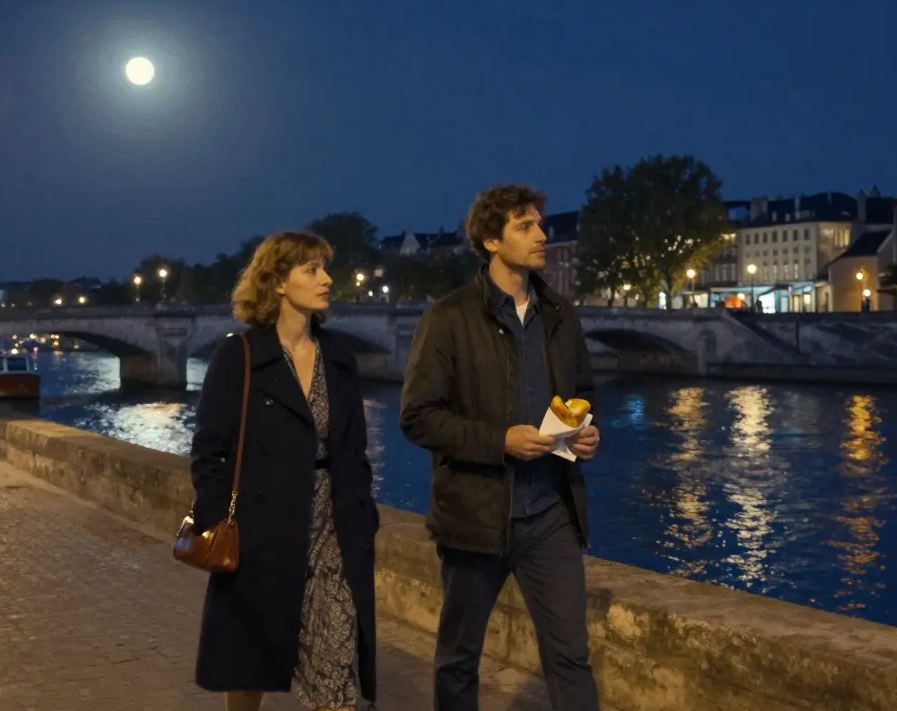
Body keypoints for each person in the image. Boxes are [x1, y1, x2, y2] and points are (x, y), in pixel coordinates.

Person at [400, 184, 602, 710]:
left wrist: (585, 434)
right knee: (459, 658)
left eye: (540, 223)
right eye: (525, 226)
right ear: (491, 241)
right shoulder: (447, 319)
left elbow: (583, 394)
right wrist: (499, 442)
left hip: (551, 514)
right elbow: (418, 418)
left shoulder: (560, 315)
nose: (541, 235)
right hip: (477, 515)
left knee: (571, 656)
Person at [190, 230, 379, 711]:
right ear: (277, 282)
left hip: (333, 526)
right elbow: (210, 449)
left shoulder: (338, 356)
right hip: (263, 529)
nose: (326, 279)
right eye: (311, 269)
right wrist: (220, 520)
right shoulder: (241, 355)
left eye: (325, 267)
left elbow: (354, 447)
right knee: (249, 661)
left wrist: (363, 513)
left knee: (337, 663)